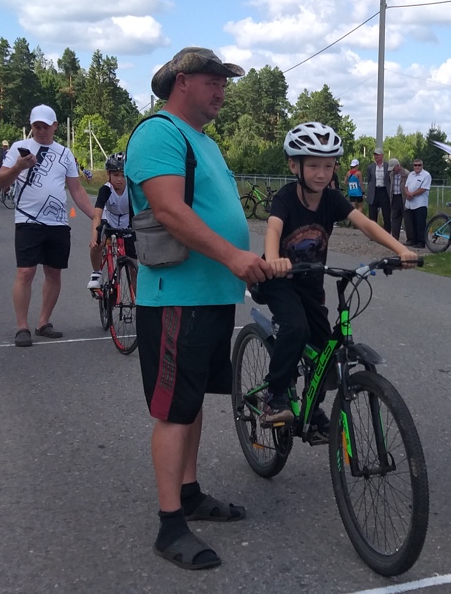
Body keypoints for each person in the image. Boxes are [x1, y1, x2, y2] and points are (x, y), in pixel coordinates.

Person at [126, 46, 273, 571]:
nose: (223, 91)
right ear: (182, 82)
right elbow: (167, 208)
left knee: (191, 402)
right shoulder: (159, 133)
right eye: (214, 81)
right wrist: (234, 254)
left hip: (212, 296)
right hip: (176, 298)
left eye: (225, 82)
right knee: (171, 410)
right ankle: (170, 525)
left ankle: (189, 493)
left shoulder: (203, 141)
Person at [256, 122, 418, 438]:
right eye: (313, 165)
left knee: (325, 348)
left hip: (311, 285)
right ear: (294, 165)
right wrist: (273, 259)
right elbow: (274, 228)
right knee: (295, 327)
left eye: (328, 166)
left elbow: (365, 225)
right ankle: (274, 397)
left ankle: (311, 406)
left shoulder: (332, 199)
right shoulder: (287, 198)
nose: (321, 173)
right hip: (279, 281)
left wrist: (401, 249)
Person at [0, 104, 96, 347]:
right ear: (32, 127)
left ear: (55, 126)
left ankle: (43, 322)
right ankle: (22, 327)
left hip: (58, 222)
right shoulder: (21, 149)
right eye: (36, 126)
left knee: (53, 273)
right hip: (28, 220)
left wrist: (95, 216)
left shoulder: (65, 153)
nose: (41, 131)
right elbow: (0, 181)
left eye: (45, 126)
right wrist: (19, 166)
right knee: (26, 272)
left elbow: (76, 190)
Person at [87, 152, 135, 289]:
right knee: (98, 243)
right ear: (109, 175)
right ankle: (96, 272)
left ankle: (139, 304)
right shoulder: (105, 190)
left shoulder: (132, 190)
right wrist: (94, 237)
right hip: (109, 218)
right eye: (115, 175)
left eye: (123, 175)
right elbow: (97, 215)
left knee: (134, 263)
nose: (119, 179)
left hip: (126, 220)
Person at [403, 159, 431, 249]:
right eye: (415, 165)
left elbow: (423, 189)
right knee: (411, 223)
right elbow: (406, 186)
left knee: (420, 223)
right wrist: (407, 193)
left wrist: (412, 194)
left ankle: (421, 241)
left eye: (419, 165)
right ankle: (412, 240)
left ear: (422, 166)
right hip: (410, 203)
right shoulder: (411, 174)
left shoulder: (426, 175)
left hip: (420, 203)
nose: (417, 167)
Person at [366, 148, 391, 231]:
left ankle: (387, 232)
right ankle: (373, 232)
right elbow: (369, 179)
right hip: (374, 190)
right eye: (374, 155)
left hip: (384, 191)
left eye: (377, 154)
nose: (375, 156)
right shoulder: (370, 167)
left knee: (386, 213)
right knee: (372, 213)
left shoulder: (387, 166)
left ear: (382, 156)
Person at [387, 158, 409, 242]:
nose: (393, 170)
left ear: (398, 166)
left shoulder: (406, 173)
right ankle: (394, 238)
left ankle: (410, 238)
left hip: (403, 197)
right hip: (394, 197)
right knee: (394, 219)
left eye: (393, 168)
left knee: (407, 219)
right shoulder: (391, 174)